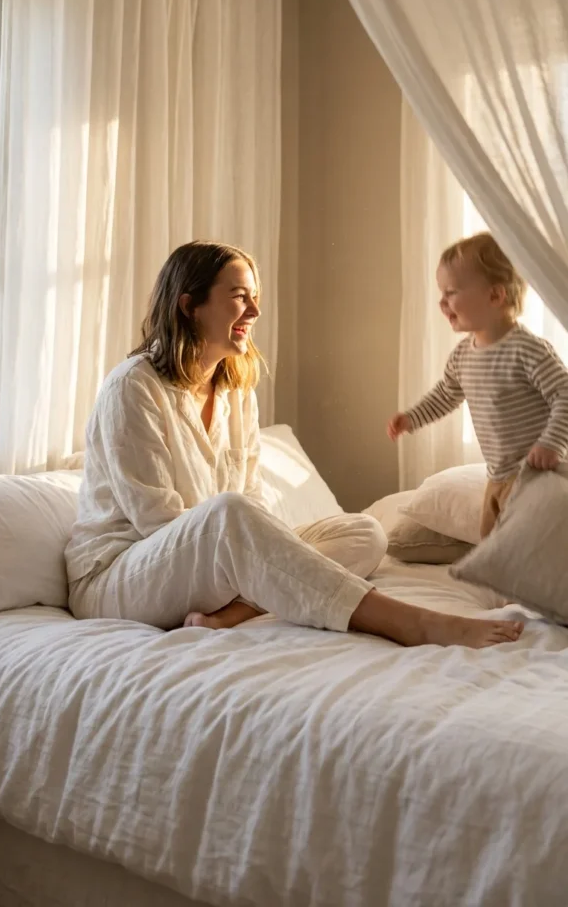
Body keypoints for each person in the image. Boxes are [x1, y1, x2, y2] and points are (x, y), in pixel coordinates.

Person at [66, 240, 522, 647]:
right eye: (239, 297)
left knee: (365, 533)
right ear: (190, 306)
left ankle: (232, 616)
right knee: (229, 513)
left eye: (255, 298)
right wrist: (255, 554)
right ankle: (412, 623)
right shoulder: (132, 388)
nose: (255, 312)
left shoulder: (236, 389)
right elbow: (158, 522)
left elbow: (252, 498)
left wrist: (267, 555)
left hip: (213, 560)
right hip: (122, 574)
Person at [388, 232, 568, 537]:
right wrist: (411, 418)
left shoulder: (527, 349)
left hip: (534, 474)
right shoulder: (462, 356)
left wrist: (552, 443)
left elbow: (564, 393)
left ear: (495, 296)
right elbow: (446, 395)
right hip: (497, 475)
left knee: (523, 549)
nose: (441, 302)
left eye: (451, 292)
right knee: (489, 544)